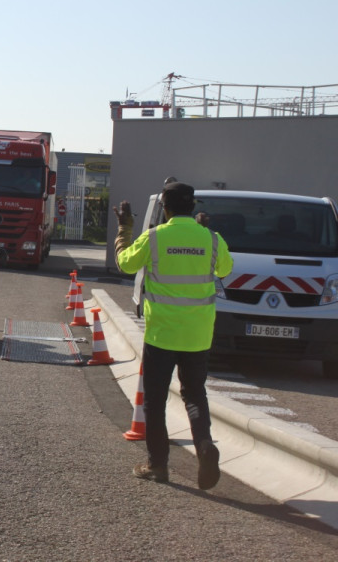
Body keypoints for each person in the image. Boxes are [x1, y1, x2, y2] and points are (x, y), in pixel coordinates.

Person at [113, 181, 232, 490]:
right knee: (194, 394)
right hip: (198, 334)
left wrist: (125, 228)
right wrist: (205, 232)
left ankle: (157, 465)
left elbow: (125, 264)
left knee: (155, 400)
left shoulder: (155, 237)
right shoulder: (211, 239)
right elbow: (224, 269)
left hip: (162, 334)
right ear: (193, 208)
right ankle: (204, 446)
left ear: (164, 208)